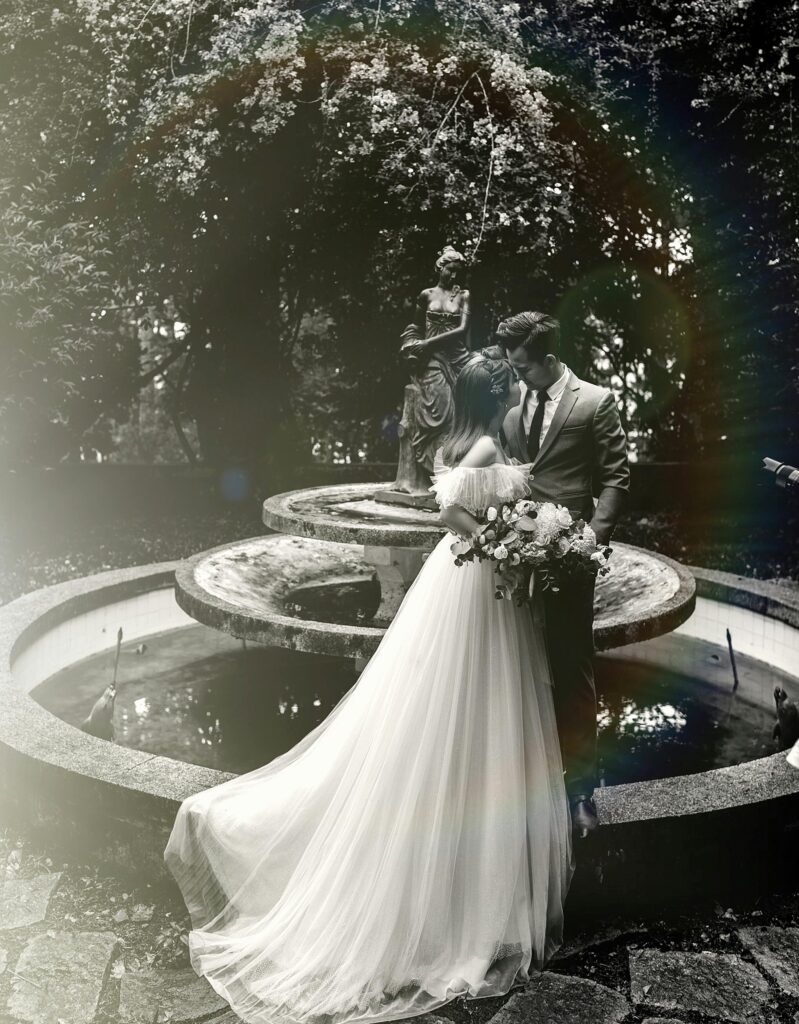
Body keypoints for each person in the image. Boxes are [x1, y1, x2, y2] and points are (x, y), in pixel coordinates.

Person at [164, 355, 574, 1024]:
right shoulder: (487, 443)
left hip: (477, 581)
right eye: (507, 384)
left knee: (474, 719)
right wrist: (508, 543)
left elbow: (460, 508)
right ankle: (464, 910)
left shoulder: (472, 439)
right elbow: (451, 515)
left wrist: (518, 540)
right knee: (465, 714)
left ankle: (479, 894)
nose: (516, 389)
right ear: (492, 393)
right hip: (476, 582)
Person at [498, 312, 630, 837]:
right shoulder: (513, 412)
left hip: (570, 556)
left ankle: (581, 794)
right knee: (514, 668)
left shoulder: (596, 402)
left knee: (571, 669)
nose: (519, 378)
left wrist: (587, 541)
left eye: (525, 368)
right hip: (513, 552)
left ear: (550, 359)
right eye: (512, 369)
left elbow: (617, 480)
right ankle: (519, 788)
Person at [398, 245, 473, 475]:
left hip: (457, 358)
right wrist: (410, 346)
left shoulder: (463, 295)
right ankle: (432, 469)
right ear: (440, 267)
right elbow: (416, 327)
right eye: (450, 270)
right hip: (432, 360)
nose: (454, 275)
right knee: (438, 412)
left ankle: (449, 471)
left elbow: (462, 330)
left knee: (458, 416)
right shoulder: (426, 295)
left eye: (458, 271)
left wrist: (428, 343)